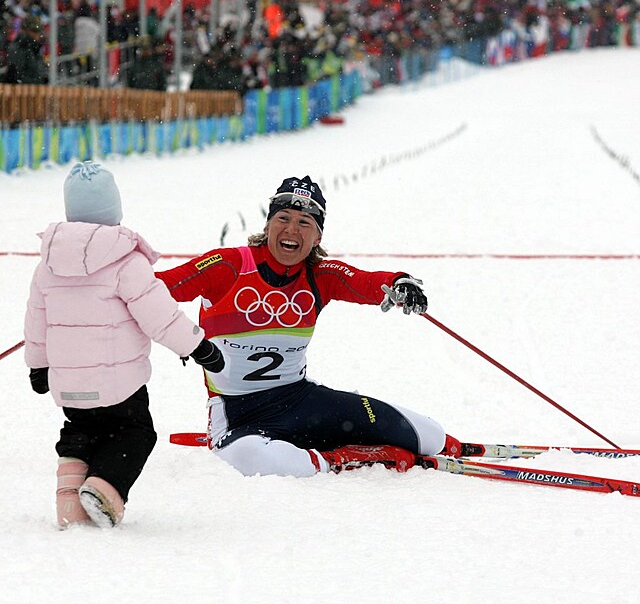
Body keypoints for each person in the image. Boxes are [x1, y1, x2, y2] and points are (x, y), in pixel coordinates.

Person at [156, 176, 462, 478]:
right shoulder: (228, 266)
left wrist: (396, 282)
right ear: (268, 226)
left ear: (317, 237)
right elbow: (153, 290)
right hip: (238, 416)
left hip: (300, 400)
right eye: (283, 218)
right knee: (255, 460)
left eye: (305, 223)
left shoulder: (319, 275)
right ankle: (342, 458)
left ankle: (339, 447)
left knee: (430, 436)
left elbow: (363, 282)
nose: (291, 230)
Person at [23, 161, 224, 529]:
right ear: (114, 209)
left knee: (79, 433)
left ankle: (69, 503)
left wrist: (38, 365)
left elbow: (36, 321)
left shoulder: (47, 265)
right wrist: (198, 347)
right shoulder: (126, 261)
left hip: (68, 387)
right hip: (119, 385)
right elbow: (159, 315)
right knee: (135, 433)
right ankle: (105, 489)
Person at [3, 15, 48, 85]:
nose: (37, 34)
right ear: (24, 30)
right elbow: (15, 77)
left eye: (37, 32)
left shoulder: (34, 48)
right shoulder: (19, 48)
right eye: (34, 31)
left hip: (34, 91)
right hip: (24, 92)